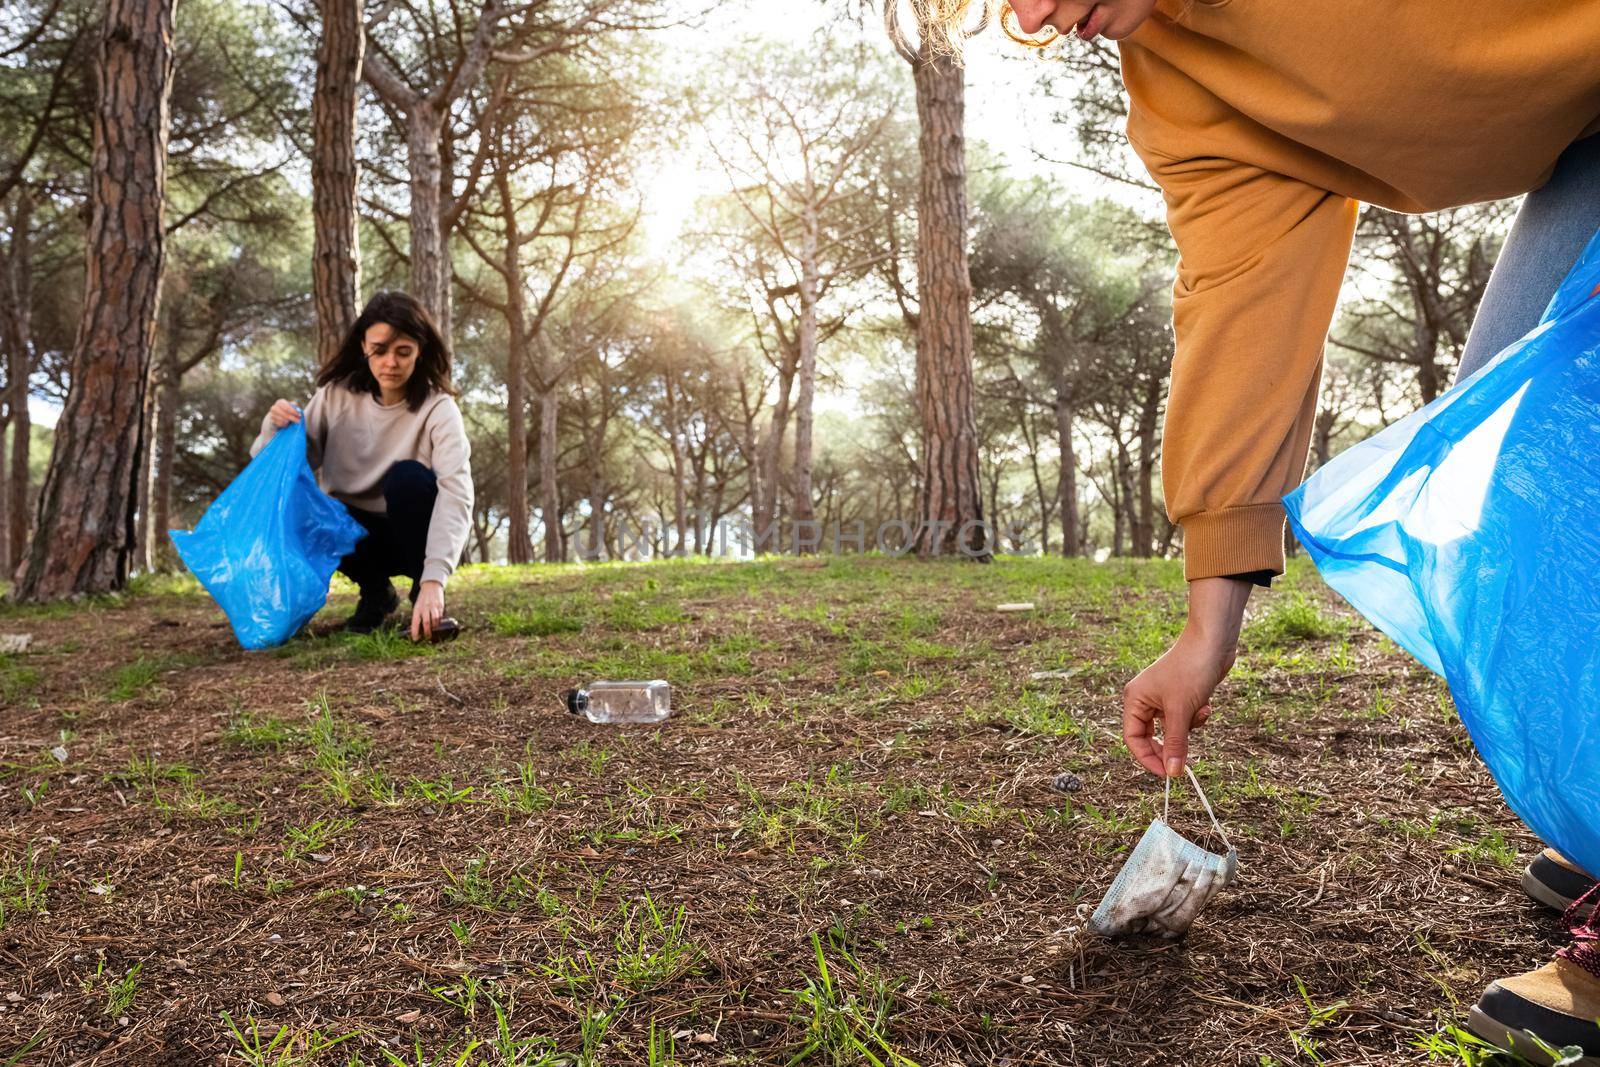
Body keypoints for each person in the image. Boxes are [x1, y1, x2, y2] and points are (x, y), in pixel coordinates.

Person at [928, 0, 1600, 1058]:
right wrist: (1208, 624)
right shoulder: (1187, 89)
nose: (1035, 11)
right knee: (1507, 439)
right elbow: (1242, 306)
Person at [251, 291, 474, 641]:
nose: (391, 363)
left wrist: (434, 579)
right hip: (354, 538)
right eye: (379, 350)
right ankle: (375, 592)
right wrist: (272, 428)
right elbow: (283, 472)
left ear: (420, 351)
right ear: (363, 347)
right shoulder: (335, 395)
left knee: (408, 478)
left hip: (415, 533)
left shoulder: (438, 407)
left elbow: (456, 493)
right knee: (308, 499)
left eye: (404, 352)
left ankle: (423, 595)